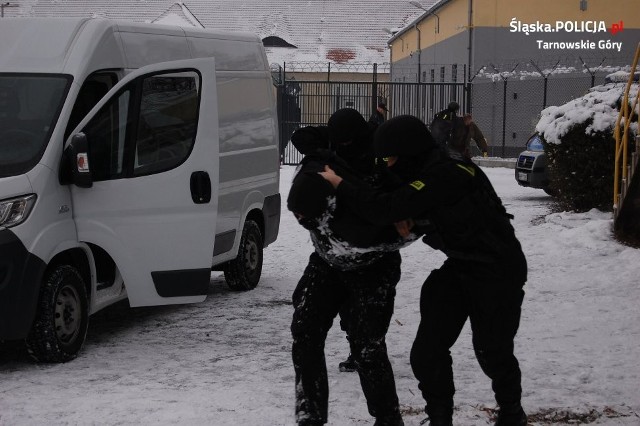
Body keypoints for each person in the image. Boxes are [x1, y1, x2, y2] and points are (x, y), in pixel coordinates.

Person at [319, 115, 528, 426]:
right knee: (427, 353)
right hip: (460, 266)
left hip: (497, 270)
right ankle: (439, 418)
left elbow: (386, 206)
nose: (387, 165)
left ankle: (512, 413)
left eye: (390, 158)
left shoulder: (446, 173)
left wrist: (340, 184)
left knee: (492, 351)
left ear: (408, 152)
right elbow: (403, 199)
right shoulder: (430, 165)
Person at [288, 109, 418, 426]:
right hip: (328, 261)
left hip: (376, 265)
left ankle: (388, 417)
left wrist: (402, 216)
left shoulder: (386, 163)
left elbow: (408, 214)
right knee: (305, 333)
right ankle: (310, 413)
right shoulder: (325, 158)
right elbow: (301, 139)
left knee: (367, 345)